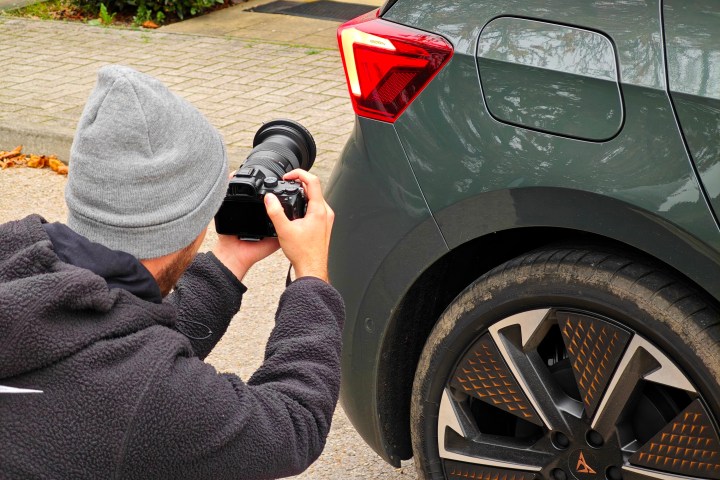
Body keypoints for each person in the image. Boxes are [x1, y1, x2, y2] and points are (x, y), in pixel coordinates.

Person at [0, 65, 345, 479]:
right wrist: (311, 276)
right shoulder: (143, 395)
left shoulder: (16, 261)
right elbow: (292, 425)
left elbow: (112, 340)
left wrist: (230, 260)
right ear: (189, 224)